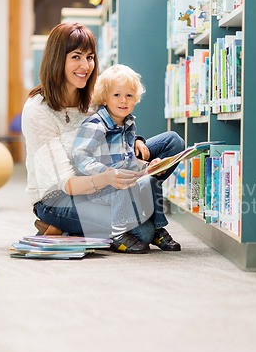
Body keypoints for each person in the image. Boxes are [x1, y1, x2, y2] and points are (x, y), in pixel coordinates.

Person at [22, 21, 185, 253]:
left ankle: (132, 204)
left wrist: (136, 140)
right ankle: (59, 224)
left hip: (105, 178)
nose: (86, 66)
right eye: (76, 57)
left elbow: (117, 125)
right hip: (59, 197)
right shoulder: (38, 110)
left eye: (90, 57)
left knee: (173, 143)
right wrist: (109, 178)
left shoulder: (92, 95)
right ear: (58, 59)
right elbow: (66, 183)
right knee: (143, 232)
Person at [72, 63, 181, 253]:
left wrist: (148, 166)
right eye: (117, 95)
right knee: (123, 180)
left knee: (150, 177)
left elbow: (129, 158)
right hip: (102, 188)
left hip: (126, 181)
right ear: (105, 98)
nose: (123, 101)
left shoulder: (128, 123)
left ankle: (157, 227)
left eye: (129, 96)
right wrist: (106, 173)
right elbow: (80, 157)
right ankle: (117, 233)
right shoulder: (96, 125)